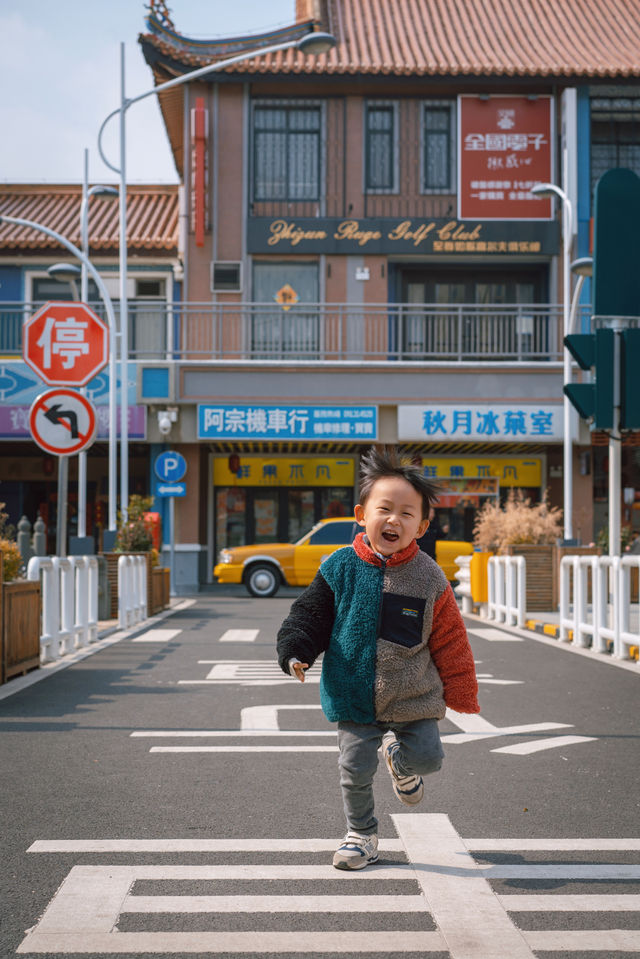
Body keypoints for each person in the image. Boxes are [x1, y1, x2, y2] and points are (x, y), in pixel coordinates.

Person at [276, 447, 479, 871]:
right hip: (352, 693)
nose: (394, 520)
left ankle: (401, 764)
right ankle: (361, 834)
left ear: (422, 526)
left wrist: (461, 690)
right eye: (384, 509)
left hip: (412, 696)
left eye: (407, 514)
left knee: (429, 759)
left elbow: (451, 639)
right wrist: (295, 650)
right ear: (361, 514)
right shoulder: (339, 567)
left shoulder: (429, 577)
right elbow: (308, 615)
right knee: (353, 769)